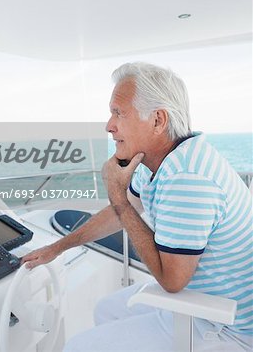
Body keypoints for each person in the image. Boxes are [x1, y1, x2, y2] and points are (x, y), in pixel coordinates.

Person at [21, 62, 253, 351]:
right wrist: (57, 248)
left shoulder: (186, 179)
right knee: (105, 310)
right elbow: (118, 214)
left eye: (119, 113)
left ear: (157, 120)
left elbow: (172, 280)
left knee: (77, 347)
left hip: (228, 326)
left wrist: (118, 198)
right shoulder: (164, 159)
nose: (109, 125)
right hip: (204, 299)